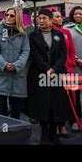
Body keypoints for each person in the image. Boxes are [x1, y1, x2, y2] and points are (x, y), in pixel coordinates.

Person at [28, 10, 70, 144]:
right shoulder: (33, 35)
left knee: (56, 103)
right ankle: (44, 133)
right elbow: (35, 55)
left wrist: (54, 69)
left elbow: (63, 54)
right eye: (39, 18)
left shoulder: (59, 35)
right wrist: (46, 68)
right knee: (43, 103)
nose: (41, 21)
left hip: (56, 73)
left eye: (44, 18)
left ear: (51, 20)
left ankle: (54, 133)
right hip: (40, 73)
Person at [0, 7, 29, 119]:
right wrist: (4, 64)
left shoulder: (23, 33)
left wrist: (16, 65)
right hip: (1, 73)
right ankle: (0, 132)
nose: (8, 17)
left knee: (16, 108)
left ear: (17, 17)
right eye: (6, 15)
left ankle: (14, 133)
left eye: (11, 15)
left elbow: (26, 52)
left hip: (17, 74)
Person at [51, 10, 76, 137]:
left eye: (60, 17)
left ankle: (64, 124)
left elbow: (71, 50)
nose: (60, 19)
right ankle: (55, 125)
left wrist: (71, 64)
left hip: (68, 70)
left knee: (69, 98)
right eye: (56, 17)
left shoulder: (66, 32)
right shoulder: (49, 32)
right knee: (56, 99)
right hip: (54, 70)